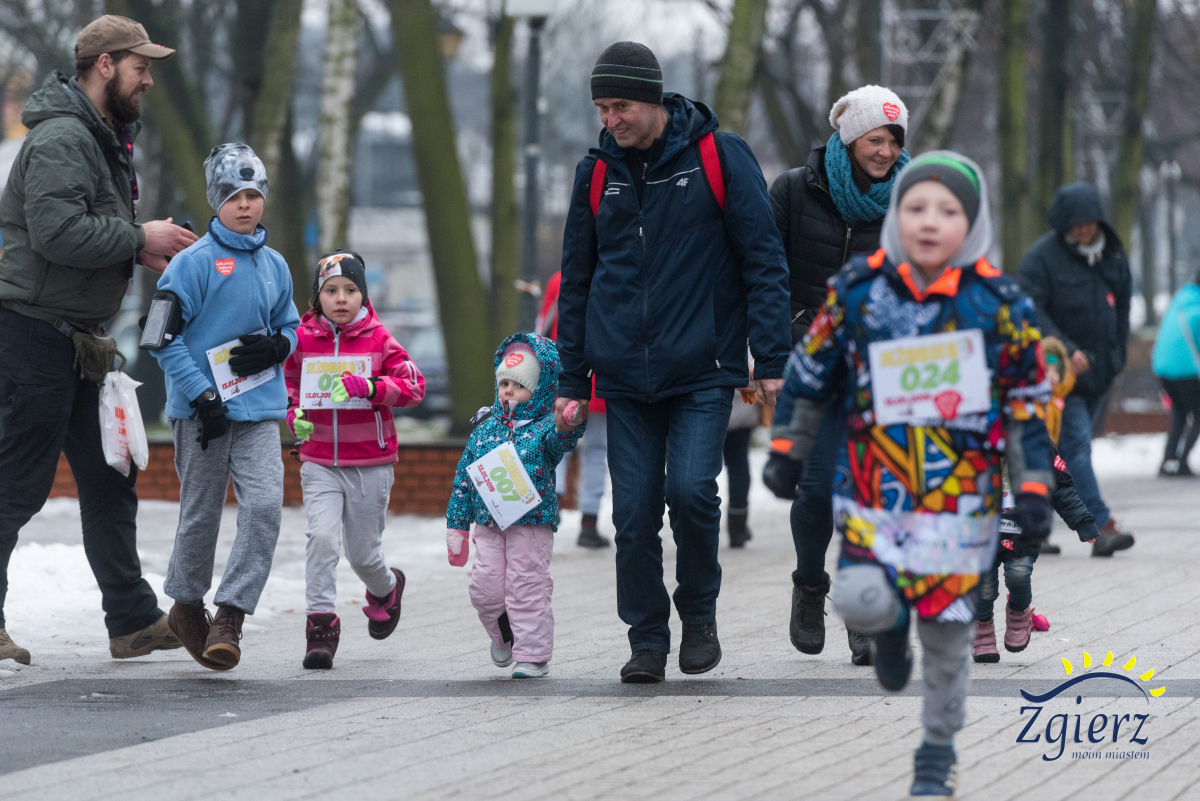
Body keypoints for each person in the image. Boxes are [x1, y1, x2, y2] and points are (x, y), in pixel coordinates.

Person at [768, 152, 1052, 795]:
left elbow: (1029, 404)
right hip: (876, 490)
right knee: (860, 598)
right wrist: (789, 447)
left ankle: (937, 752)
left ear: (971, 223)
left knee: (950, 638)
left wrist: (1034, 483)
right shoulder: (859, 290)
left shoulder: (998, 303)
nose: (929, 221)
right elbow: (811, 374)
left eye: (947, 211)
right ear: (896, 215)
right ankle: (888, 629)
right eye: (916, 207)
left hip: (960, 498)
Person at [555, 42, 792, 683]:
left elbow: (764, 259)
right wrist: (571, 377)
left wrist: (771, 356)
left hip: (703, 367)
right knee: (632, 517)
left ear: (653, 99)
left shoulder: (719, 156)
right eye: (602, 109)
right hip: (623, 375)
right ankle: (647, 639)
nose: (611, 120)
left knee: (690, 492)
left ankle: (699, 614)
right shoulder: (595, 173)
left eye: (621, 106)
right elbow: (576, 281)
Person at [0, 14, 199, 665]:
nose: (148, 80)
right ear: (105, 65)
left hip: (77, 340)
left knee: (111, 474)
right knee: (16, 484)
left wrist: (135, 249)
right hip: (33, 336)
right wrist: (140, 236)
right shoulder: (64, 137)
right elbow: (57, 232)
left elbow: (81, 228)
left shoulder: (99, 136)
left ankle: (133, 620)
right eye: (140, 67)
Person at [768, 85, 911, 665]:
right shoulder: (793, 191)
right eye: (876, 139)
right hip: (812, 360)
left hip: (881, 368)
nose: (886, 151)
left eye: (894, 141)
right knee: (816, 488)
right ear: (850, 138)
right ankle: (809, 583)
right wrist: (784, 338)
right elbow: (765, 271)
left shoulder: (910, 199)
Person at [152, 143, 300, 671]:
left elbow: (290, 324)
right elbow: (160, 338)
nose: (244, 205)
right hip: (202, 413)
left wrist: (279, 346)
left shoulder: (275, 264)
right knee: (202, 513)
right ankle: (186, 605)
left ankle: (231, 613)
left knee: (264, 507)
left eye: (253, 195)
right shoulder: (191, 264)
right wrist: (202, 394)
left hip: (258, 410)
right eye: (234, 196)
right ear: (217, 200)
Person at [284, 250, 426, 669]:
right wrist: (293, 415)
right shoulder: (301, 339)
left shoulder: (379, 339)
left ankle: (386, 588)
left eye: (351, 290)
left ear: (364, 295)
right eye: (331, 291)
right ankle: (320, 629)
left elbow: (414, 387)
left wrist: (371, 387)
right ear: (318, 297)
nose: (341, 298)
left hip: (370, 462)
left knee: (362, 554)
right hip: (318, 461)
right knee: (321, 540)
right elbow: (287, 385)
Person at [446, 334, 584, 679]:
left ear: (539, 390)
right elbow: (464, 478)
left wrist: (567, 423)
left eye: (519, 385)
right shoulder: (484, 430)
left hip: (530, 523)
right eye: (504, 383)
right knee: (485, 589)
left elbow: (561, 441)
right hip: (489, 524)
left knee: (526, 585)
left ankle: (533, 654)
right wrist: (457, 526)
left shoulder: (543, 429)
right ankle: (503, 636)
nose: (509, 391)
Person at [1018, 182, 1135, 557]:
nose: (1085, 230)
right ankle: (1099, 525)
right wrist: (1067, 351)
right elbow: (1030, 309)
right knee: (1076, 447)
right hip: (1058, 376)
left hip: (1100, 372)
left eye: (1090, 222)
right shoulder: (1041, 258)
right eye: (1077, 224)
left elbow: (1123, 308)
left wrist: (1117, 355)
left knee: (1063, 453)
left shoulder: (1112, 254)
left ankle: (1035, 527)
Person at [538, 271, 611, 548]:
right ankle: (589, 523)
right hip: (601, 381)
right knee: (596, 452)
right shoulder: (613, 273)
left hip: (566, 379)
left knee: (560, 446)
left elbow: (543, 329)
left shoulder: (560, 279)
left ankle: (552, 509)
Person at [1151, 274, 1200, 477]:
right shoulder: (1197, 308)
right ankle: (1182, 462)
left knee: (1180, 411)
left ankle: (1168, 461)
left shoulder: (1181, 299)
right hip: (1183, 369)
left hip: (1161, 366)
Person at [723, 389, 759, 548]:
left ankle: (697, 526)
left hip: (702, 405)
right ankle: (737, 529)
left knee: (701, 468)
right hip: (739, 402)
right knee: (738, 465)